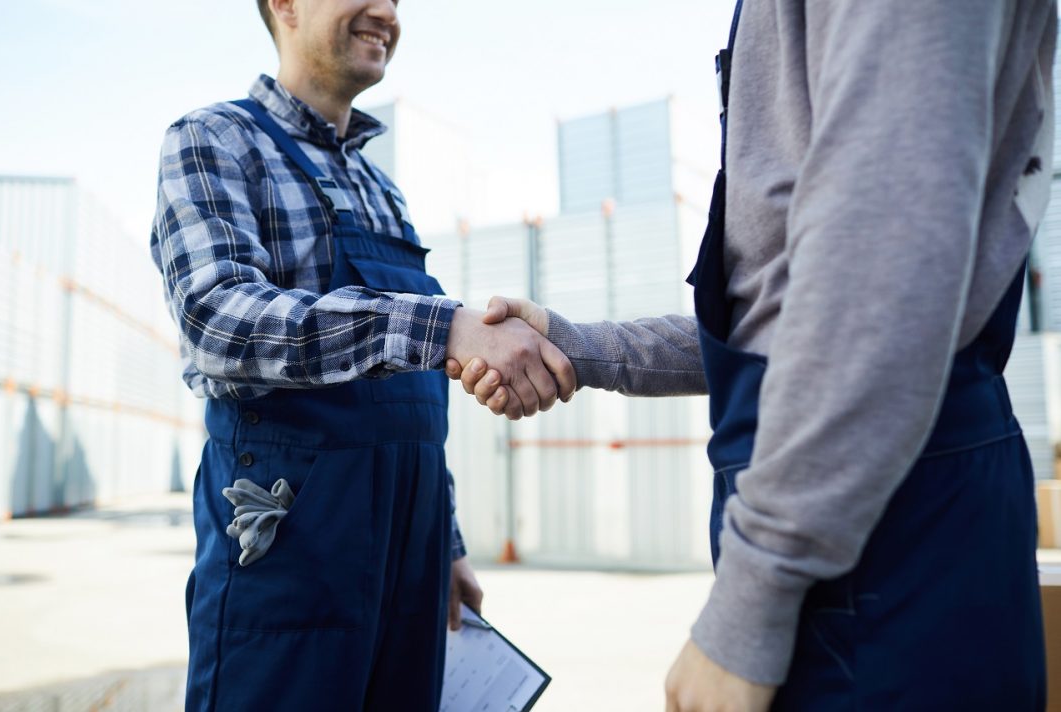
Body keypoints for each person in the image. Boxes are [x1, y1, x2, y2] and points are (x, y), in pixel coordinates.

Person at [449, 1, 1056, 709]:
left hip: (882, 528)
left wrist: (751, 599)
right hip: (861, 512)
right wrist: (578, 347)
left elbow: (879, 288)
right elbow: (776, 319)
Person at [149, 1, 575, 710]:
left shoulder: (382, 189)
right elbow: (216, 320)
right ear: (284, 5)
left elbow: (409, 398)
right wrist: (443, 327)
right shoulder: (214, 140)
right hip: (291, 548)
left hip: (413, 557)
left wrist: (445, 541)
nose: (387, 10)